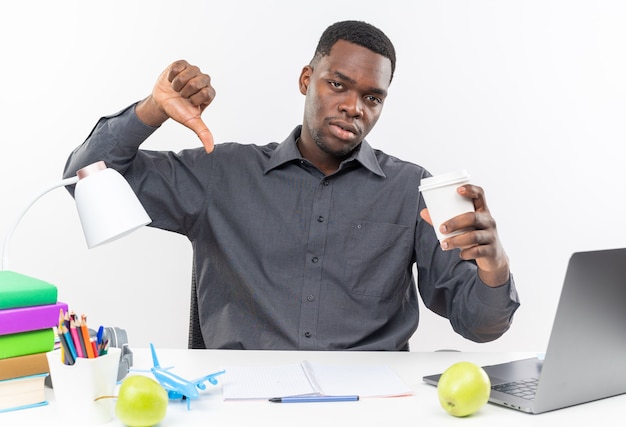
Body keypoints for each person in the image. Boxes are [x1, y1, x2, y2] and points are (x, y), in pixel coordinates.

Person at [64, 20, 519, 351]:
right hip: (240, 403)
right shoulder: (220, 172)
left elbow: (479, 324)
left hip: (372, 405)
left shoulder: (411, 188)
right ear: (307, 80)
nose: (353, 107)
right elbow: (85, 181)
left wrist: (494, 266)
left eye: (371, 97)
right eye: (338, 85)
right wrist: (152, 109)